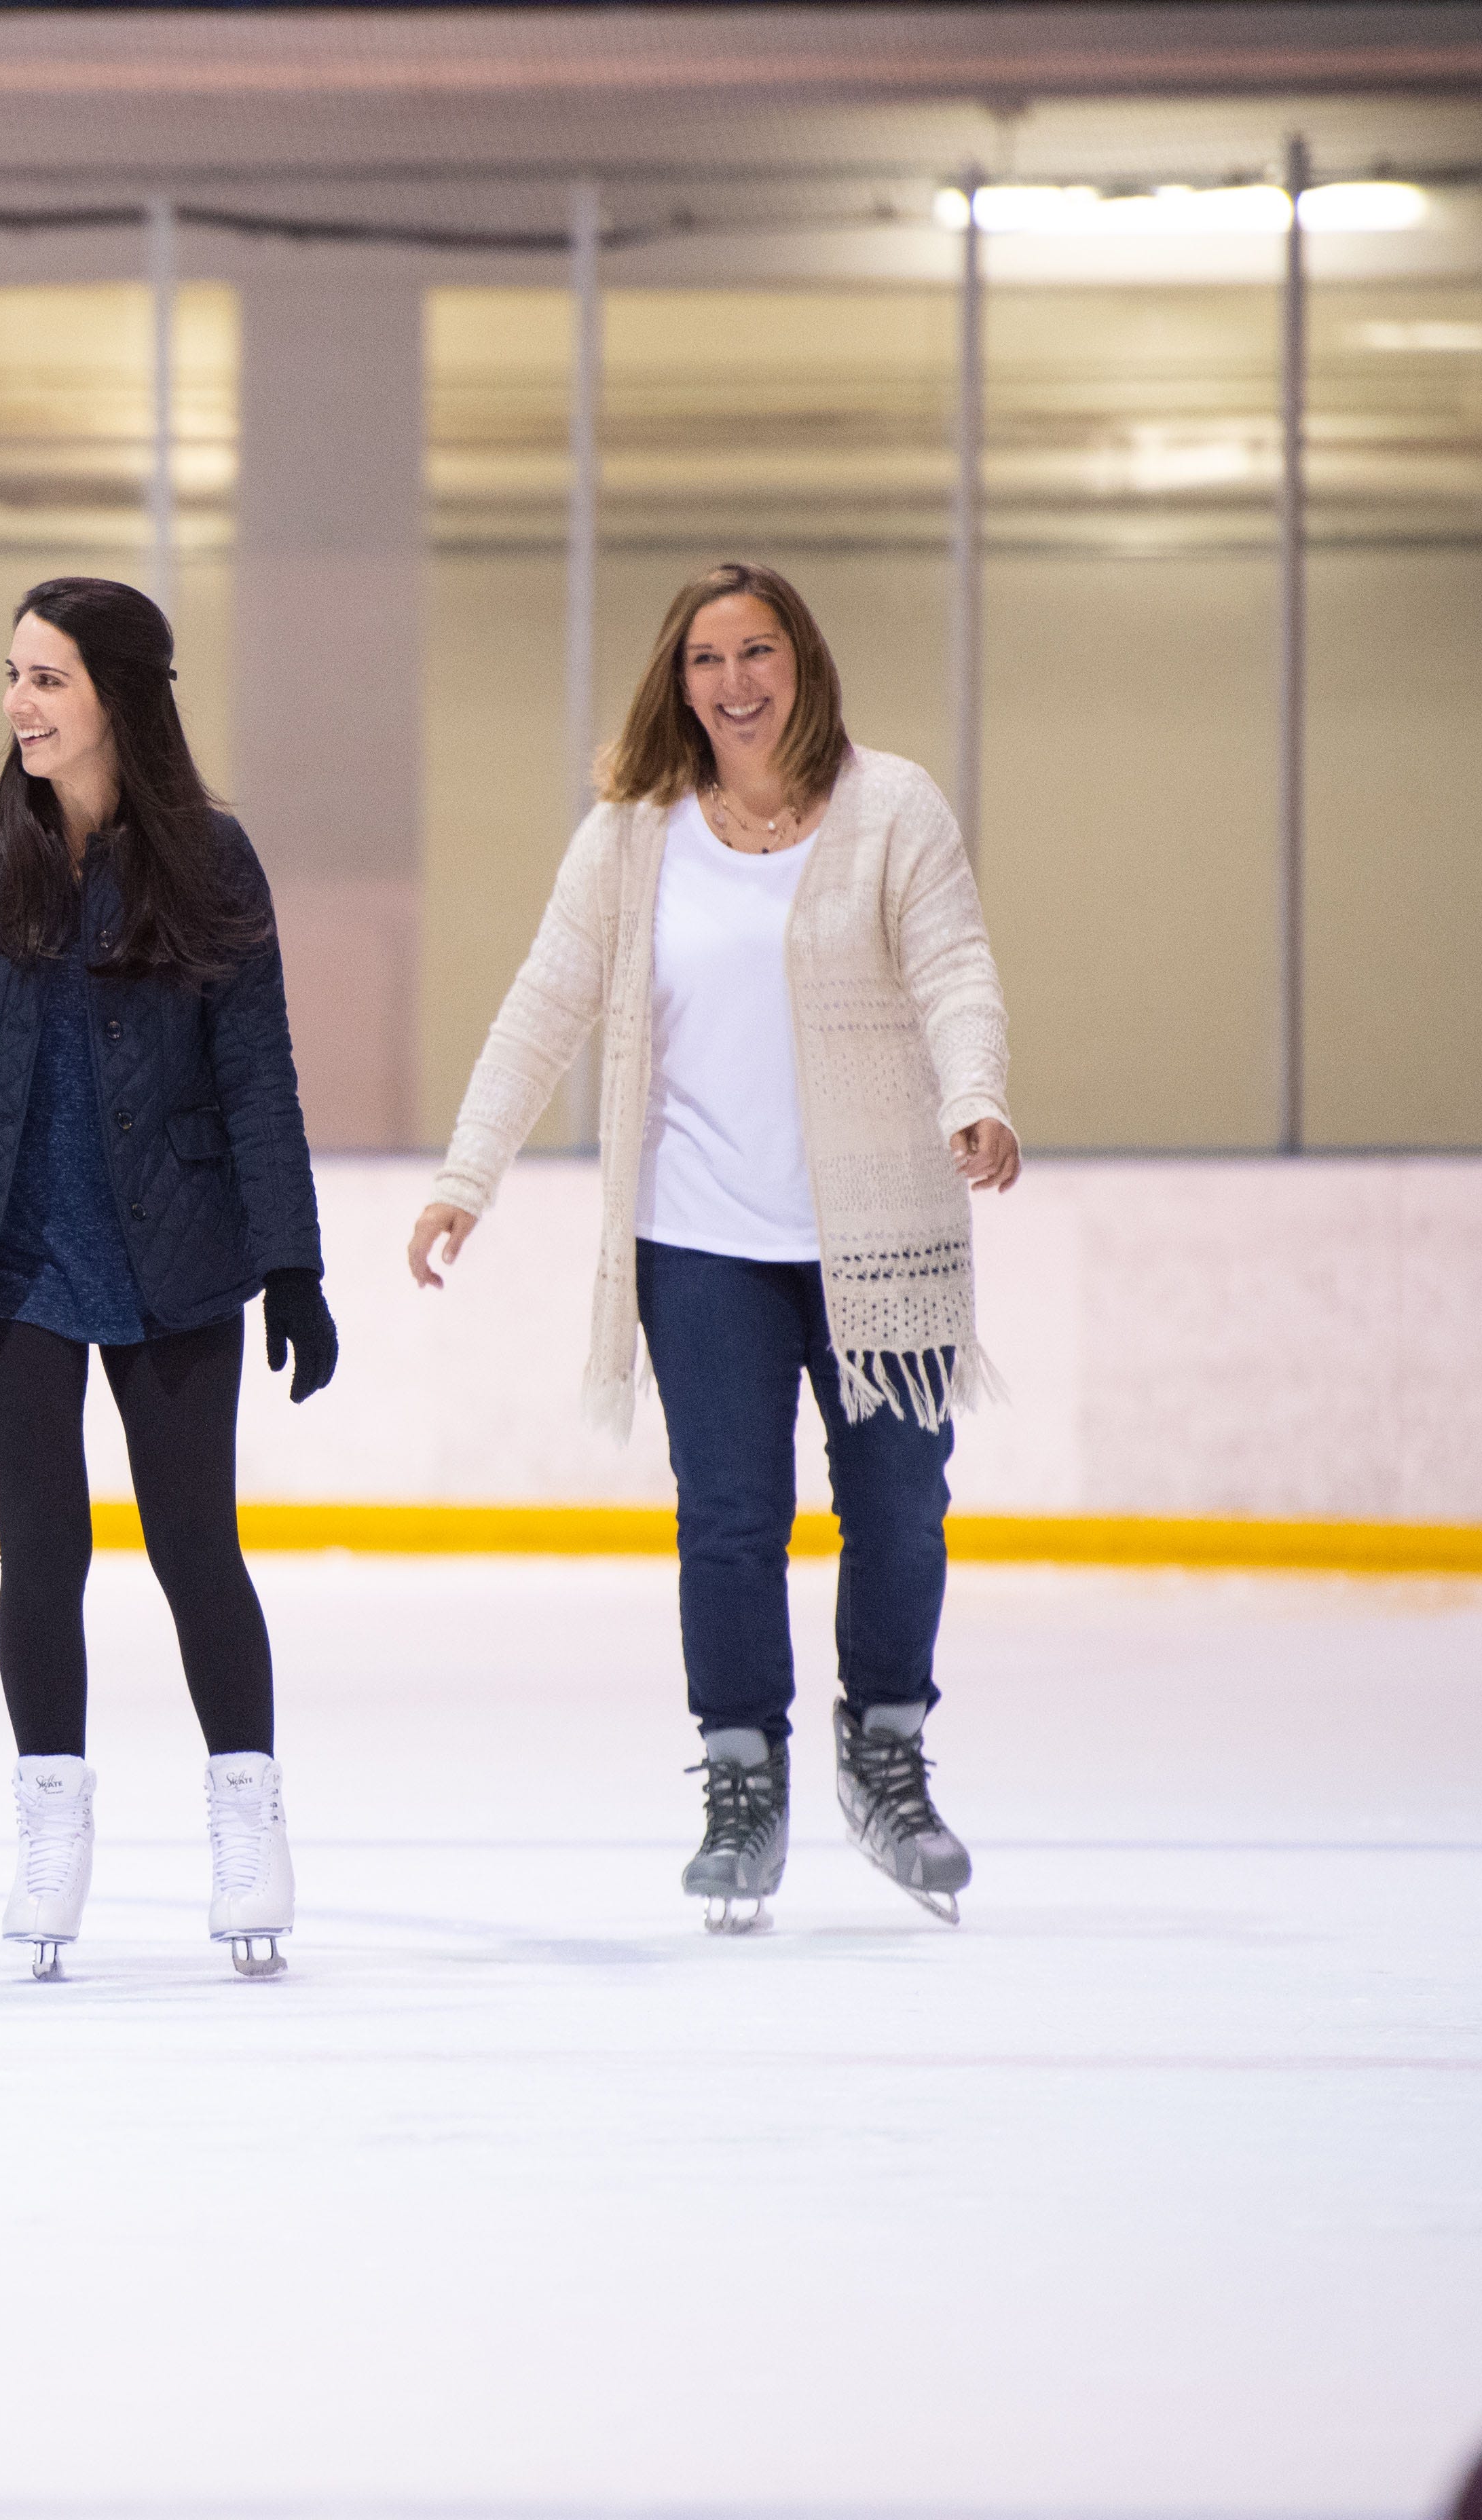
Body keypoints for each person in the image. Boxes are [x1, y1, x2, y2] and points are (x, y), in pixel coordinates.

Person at [409, 559, 1016, 1933]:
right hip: (698, 1239)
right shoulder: (632, 835)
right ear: (675, 683)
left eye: (757, 653)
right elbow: (543, 1003)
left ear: (803, 665)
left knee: (901, 1506)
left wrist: (976, 1094)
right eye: (704, 660)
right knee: (731, 1520)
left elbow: (955, 968)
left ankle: (887, 1753)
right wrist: (467, 1175)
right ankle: (744, 1774)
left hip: (884, 1233)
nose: (733, 683)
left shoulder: (892, 809)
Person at [0, 576, 333, 1982]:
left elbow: (257, 1076)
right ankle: (50, 1816)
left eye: (49, 679)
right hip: (6, 1243)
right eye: (13, 676)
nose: (20, 705)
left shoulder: (211, 860)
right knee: (41, 1548)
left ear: (119, 693)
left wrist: (290, 1264)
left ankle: (247, 1810)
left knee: (196, 1546)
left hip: (176, 1245)